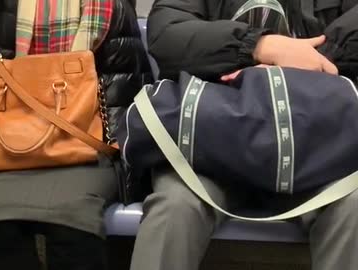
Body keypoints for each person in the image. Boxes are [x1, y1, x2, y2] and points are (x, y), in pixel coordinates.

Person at [130, 0, 358, 270]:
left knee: (353, 207)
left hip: (318, 147)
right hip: (211, 145)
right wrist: (258, 47)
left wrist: (299, 60)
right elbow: (168, 35)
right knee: (174, 208)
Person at [0, 0, 151, 270]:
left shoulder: (110, 6)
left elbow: (127, 85)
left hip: (94, 139)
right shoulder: (10, 5)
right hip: (23, 135)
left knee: (71, 222)